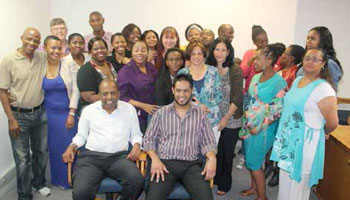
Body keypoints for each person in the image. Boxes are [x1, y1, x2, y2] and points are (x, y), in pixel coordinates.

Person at [271, 48, 338, 200]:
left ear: (323, 64)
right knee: (285, 185)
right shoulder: (297, 81)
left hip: (306, 145)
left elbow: (332, 122)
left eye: (315, 59)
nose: (310, 61)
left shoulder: (324, 89)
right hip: (288, 141)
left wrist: (322, 132)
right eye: (307, 58)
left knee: (297, 188)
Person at [62, 79, 144, 200]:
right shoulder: (89, 111)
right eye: (105, 94)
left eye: (113, 93)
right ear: (99, 95)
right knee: (80, 192)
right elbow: (81, 136)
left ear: (119, 93)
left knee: (137, 182)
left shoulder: (129, 109)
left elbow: (136, 134)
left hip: (119, 158)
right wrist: (71, 147)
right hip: (92, 158)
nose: (109, 97)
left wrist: (137, 145)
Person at [143, 74, 217, 200]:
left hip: (191, 164)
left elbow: (208, 141)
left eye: (186, 91)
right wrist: (155, 159)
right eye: (178, 90)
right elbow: (149, 139)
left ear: (191, 91)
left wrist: (212, 158)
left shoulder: (200, 114)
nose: (181, 95)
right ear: (173, 90)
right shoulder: (161, 113)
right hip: (165, 164)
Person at [0, 27, 50, 199]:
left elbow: (60, 56)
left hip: (40, 112)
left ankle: (39, 183)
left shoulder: (42, 57)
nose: (32, 43)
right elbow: (2, 91)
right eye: (29, 39)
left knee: (41, 152)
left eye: (36, 40)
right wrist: (11, 119)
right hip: (18, 116)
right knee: (22, 160)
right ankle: (24, 194)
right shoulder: (8, 60)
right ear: (22, 38)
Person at [239, 44, 287, 200]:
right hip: (250, 124)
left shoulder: (279, 82)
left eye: (257, 59)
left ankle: (262, 196)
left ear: (269, 60)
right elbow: (251, 100)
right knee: (253, 160)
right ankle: (254, 188)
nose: (254, 62)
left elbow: (278, 110)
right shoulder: (255, 77)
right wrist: (248, 122)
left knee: (253, 162)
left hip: (264, 129)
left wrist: (259, 127)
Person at [206, 37, 243, 195]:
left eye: (223, 50)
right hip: (212, 118)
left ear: (228, 52)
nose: (219, 53)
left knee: (227, 152)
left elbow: (237, 97)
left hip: (231, 117)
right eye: (216, 49)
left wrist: (226, 117)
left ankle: (225, 184)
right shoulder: (208, 68)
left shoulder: (234, 69)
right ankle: (215, 179)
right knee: (215, 151)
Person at [43, 35, 79, 189]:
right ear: (45, 48)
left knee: (68, 146)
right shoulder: (40, 64)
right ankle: (59, 180)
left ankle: (74, 179)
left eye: (59, 48)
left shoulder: (68, 62)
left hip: (66, 114)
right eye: (53, 48)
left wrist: (72, 113)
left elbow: (76, 89)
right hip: (48, 115)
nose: (56, 51)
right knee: (54, 148)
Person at [178, 42, 223, 143]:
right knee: (192, 154)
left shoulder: (213, 72)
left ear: (204, 55)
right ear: (189, 56)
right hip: (190, 121)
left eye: (199, 53)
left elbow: (219, 95)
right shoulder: (182, 73)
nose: (196, 57)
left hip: (212, 120)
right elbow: (180, 97)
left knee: (210, 154)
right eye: (193, 54)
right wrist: (197, 105)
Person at [117, 40, 158, 133]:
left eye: (143, 50)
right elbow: (123, 97)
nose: (140, 53)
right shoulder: (125, 72)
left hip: (153, 111)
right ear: (132, 52)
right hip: (135, 113)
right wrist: (144, 106)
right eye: (136, 50)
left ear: (147, 52)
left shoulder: (151, 67)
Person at [77, 37, 117, 108]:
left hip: (113, 105)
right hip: (93, 109)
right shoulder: (86, 70)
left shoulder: (111, 65)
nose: (100, 51)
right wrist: (113, 97)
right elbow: (88, 97)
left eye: (103, 48)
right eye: (95, 49)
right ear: (90, 52)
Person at [241, 25, 269, 94]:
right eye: (261, 42)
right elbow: (242, 74)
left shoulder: (271, 54)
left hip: (266, 92)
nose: (264, 44)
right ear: (254, 42)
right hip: (250, 93)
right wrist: (251, 60)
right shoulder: (249, 53)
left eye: (266, 41)